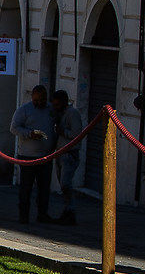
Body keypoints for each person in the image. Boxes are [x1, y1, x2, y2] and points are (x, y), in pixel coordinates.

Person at [10, 85, 56, 223]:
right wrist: (29, 133)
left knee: (44, 188)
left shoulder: (51, 109)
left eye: (42, 100)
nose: (39, 103)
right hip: (27, 156)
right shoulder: (24, 110)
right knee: (26, 188)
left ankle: (42, 214)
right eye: (36, 100)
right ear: (32, 97)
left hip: (46, 156)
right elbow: (14, 128)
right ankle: (23, 216)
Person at [50, 89, 87, 224]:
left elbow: (77, 134)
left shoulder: (73, 113)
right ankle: (67, 209)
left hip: (69, 154)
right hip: (59, 152)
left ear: (64, 102)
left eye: (58, 104)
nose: (55, 107)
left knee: (66, 183)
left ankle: (70, 210)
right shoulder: (59, 114)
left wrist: (62, 131)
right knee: (62, 184)